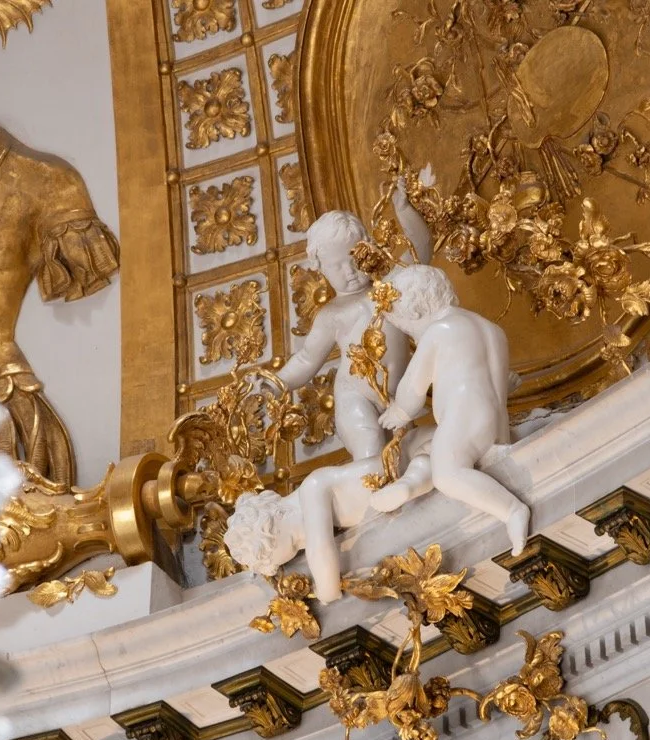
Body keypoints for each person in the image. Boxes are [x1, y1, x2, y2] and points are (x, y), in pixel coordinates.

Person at [379, 265, 530, 556]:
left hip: (464, 414)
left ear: (415, 311)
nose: (411, 337)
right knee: (434, 453)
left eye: (406, 329)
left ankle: (511, 510)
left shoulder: (439, 331)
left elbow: (413, 390)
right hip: (496, 421)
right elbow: (496, 382)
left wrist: (398, 411)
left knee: (446, 475)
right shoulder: (492, 329)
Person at [277, 181, 432, 460]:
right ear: (319, 268)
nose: (349, 270)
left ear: (368, 247)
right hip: (355, 397)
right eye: (336, 265)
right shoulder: (332, 315)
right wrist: (276, 383)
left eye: (354, 257)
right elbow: (306, 360)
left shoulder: (391, 284)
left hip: (399, 397)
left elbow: (421, 249)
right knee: (371, 453)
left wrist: (403, 209)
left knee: (405, 457)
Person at [224, 429, 434, 602]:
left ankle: (409, 485)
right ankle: (410, 484)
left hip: (405, 457)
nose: (303, 541)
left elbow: (320, 547)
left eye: (294, 541)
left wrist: (327, 591)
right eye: (299, 547)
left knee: (422, 467)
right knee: (425, 470)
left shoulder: (313, 487)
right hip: (406, 465)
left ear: (278, 515)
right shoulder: (324, 509)